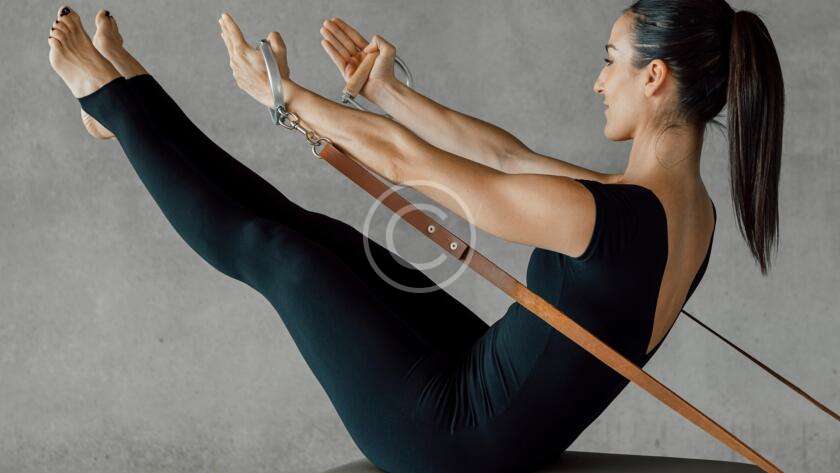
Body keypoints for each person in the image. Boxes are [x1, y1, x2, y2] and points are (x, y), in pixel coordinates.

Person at [47, 0, 783, 471]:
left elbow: (411, 166)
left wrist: (283, 95)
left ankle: (109, 99)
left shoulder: (614, 217)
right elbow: (507, 157)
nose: (599, 81)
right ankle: (133, 104)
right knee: (330, 241)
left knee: (284, 258)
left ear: (654, 78)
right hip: (489, 390)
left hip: (454, 436)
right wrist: (388, 93)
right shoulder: (684, 211)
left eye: (610, 60)